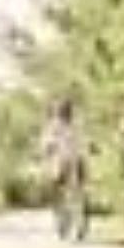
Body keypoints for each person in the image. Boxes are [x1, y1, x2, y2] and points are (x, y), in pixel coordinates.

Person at [40, 97, 88, 239]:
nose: (64, 113)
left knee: (78, 192)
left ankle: (78, 224)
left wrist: (89, 149)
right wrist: (49, 148)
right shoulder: (53, 126)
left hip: (75, 161)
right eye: (62, 110)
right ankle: (62, 222)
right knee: (59, 193)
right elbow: (46, 144)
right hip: (60, 162)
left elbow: (83, 142)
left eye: (66, 110)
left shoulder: (77, 125)